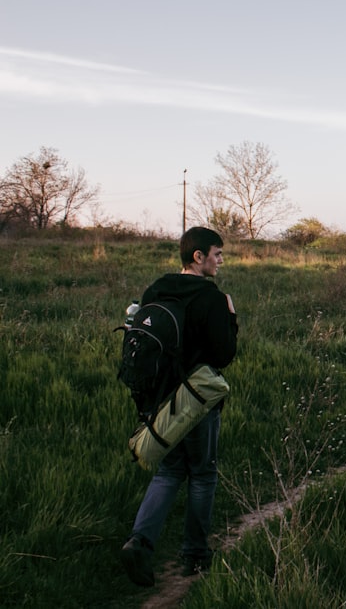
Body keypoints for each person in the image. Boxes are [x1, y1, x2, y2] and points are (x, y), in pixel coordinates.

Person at [120, 226, 239, 587]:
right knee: (202, 474)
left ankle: (140, 541)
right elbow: (224, 355)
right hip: (197, 403)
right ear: (198, 257)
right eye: (217, 254)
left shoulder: (156, 288)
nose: (221, 261)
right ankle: (195, 555)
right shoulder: (212, 298)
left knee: (170, 472)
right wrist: (231, 318)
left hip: (159, 402)